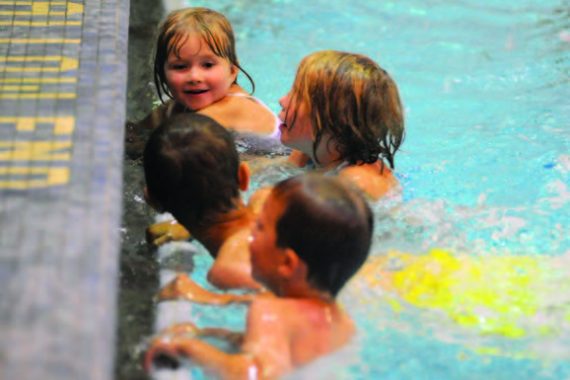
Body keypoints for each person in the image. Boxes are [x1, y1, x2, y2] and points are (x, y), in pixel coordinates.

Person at [144, 173, 374, 379]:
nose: (250, 232)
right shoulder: (342, 323)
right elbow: (283, 356)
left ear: (287, 263)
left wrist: (188, 349)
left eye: (260, 227)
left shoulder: (268, 311)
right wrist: (210, 333)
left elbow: (252, 374)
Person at [125, 7, 282, 159]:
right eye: (180, 66)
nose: (194, 77)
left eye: (208, 65)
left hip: (278, 161)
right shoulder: (176, 106)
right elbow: (134, 131)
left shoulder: (230, 108)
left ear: (232, 70)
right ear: (162, 73)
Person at [143, 112, 261, 291]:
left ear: (152, 200)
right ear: (244, 176)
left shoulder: (230, 271)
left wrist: (209, 298)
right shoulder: (272, 197)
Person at [277, 50, 405, 200]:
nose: (282, 100)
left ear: (332, 119)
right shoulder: (309, 152)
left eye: (297, 94)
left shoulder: (356, 183)